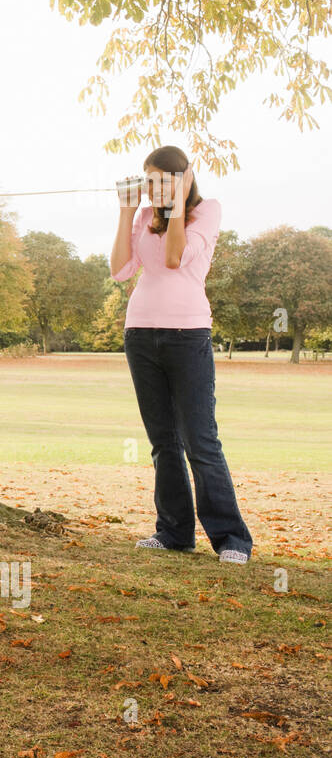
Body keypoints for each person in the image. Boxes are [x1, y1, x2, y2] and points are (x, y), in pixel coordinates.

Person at [110, 145, 253, 563]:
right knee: (162, 443)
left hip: (187, 335)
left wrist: (175, 201)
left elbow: (175, 258)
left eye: (160, 180)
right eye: (147, 179)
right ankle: (174, 533)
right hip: (140, 334)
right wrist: (125, 211)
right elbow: (120, 270)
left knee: (201, 441)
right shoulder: (142, 217)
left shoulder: (207, 210)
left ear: (183, 179)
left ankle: (231, 539)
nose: (151, 188)